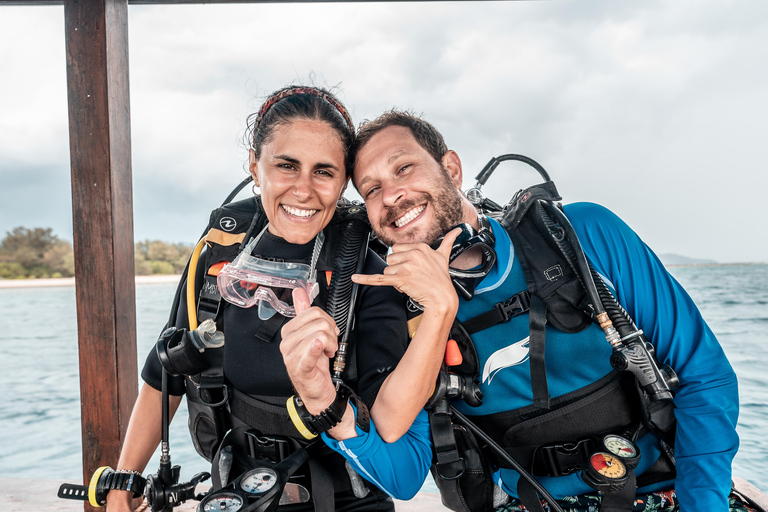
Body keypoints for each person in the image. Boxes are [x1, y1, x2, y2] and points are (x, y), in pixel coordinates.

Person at [301, 110, 745, 512]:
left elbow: (703, 373)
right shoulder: (395, 311)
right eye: (372, 189)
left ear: (451, 168)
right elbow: (402, 476)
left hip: (660, 489)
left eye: (404, 167)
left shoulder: (581, 233)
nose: (392, 194)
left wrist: (702, 504)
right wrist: (324, 401)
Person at [105, 90, 452, 512]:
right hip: (235, 493)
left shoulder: (365, 274)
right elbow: (167, 372)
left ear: (343, 182)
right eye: (286, 166)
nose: (303, 190)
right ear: (255, 165)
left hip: (343, 500)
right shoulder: (219, 251)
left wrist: (323, 392)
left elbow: (396, 449)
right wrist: (127, 477)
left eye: (323, 172)